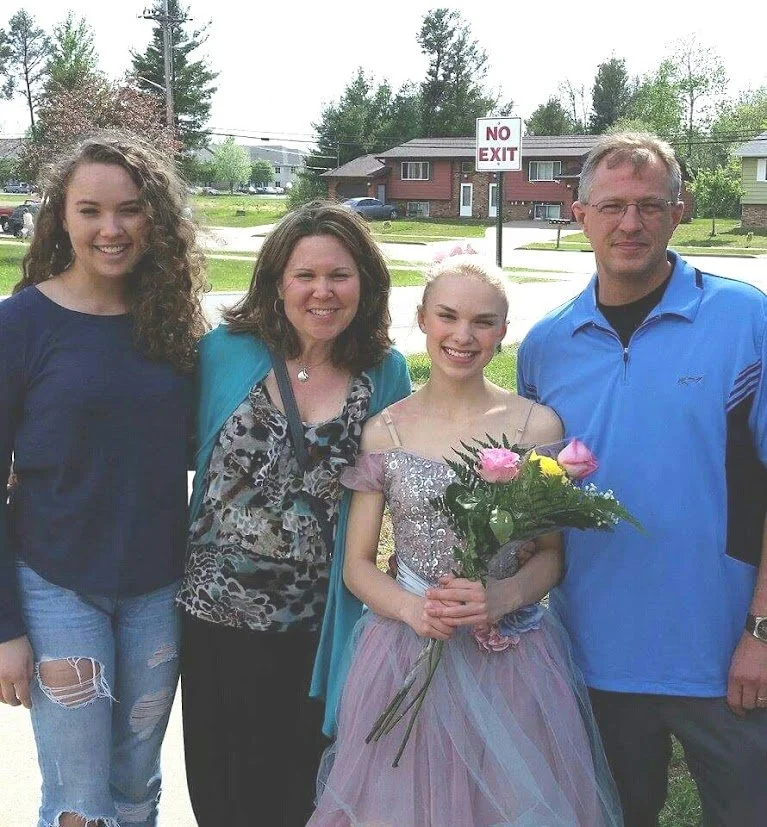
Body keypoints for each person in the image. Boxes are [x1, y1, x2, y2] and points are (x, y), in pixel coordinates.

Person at [309, 254, 622, 826]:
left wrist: (501, 598)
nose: (463, 335)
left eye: (483, 322)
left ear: (503, 332)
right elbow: (357, 565)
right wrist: (411, 607)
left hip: (511, 655)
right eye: (448, 316)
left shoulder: (536, 426)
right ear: (422, 319)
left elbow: (551, 557)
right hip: (407, 648)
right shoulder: (386, 430)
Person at [517, 132, 767, 827]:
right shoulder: (545, 345)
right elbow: (536, 500)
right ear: (578, 214)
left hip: (722, 656)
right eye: (613, 206)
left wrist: (762, 631)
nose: (631, 223)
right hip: (590, 653)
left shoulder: (745, 320)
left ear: (679, 210)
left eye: (650, 206)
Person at [178, 200, 411, 827]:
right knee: (221, 787)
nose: (322, 291)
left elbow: (410, 480)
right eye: (305, 275)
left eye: (339, 275)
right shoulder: (224, 353)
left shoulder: (385, 373)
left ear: (365, 283)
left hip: (318, 625)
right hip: (213, 617)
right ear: (277, 280)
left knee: (301, 792)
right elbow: (152, 440)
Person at [0, 133, 207, 827]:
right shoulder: (20, 323)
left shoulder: (175, 324)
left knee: (136, 788)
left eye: (129, 210)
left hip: (157, 586)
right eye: (90, 210)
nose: (110, 229)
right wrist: (3, 626)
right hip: (57, 585)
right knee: (79, 804)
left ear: (155, 218)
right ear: (61, 215)